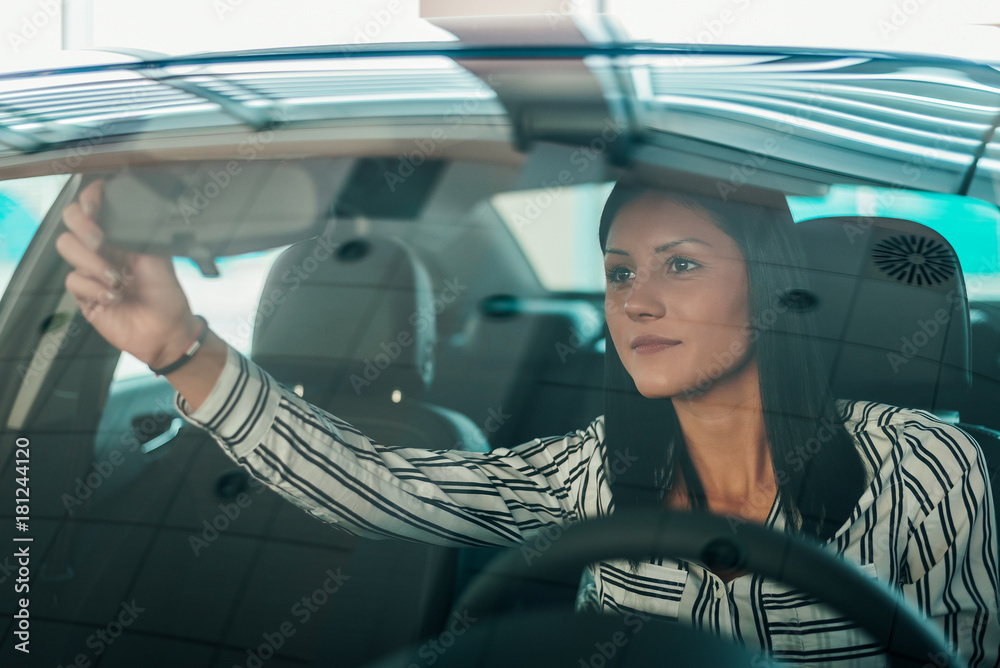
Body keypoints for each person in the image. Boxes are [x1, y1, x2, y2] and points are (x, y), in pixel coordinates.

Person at [56, 177, 999, 667]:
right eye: (620, 270)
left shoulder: (927, 466)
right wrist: (181, 348)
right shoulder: (591, 469)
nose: (634, 301)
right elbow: (386, 486)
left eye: (679, 265)